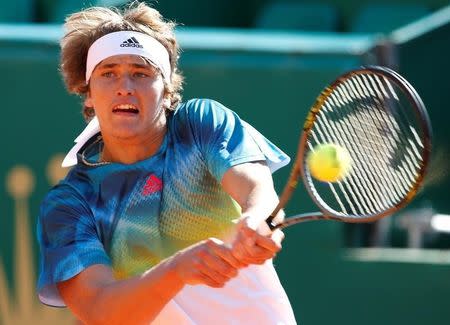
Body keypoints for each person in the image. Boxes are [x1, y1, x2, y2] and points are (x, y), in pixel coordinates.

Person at [37, 2, 296, 324]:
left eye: (141, 73)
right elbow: (101, 312)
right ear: (87, 93)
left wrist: (257, 218)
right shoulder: (69, 204)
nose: (125, 87)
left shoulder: (200, 123)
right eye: (108, 73)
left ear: (168, 89)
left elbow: (255, 187)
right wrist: (176, 270)